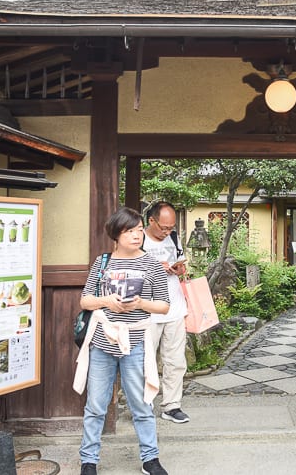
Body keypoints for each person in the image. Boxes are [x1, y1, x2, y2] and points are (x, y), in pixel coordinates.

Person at [75, 207, 171, 475]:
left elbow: (164, 305)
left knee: (141, 404)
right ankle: (89, 460)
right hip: (102, 343)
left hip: (136, 342)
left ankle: (150, 459)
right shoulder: (102, 262)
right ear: (116, 234)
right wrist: (106, 301)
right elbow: (85, 300)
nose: (137, 235)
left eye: (139, 230)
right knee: (95, 405)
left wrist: (140, 303)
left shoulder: (151, 264)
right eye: (130, 231)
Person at [142, 201, 190, 424]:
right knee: (144, 360)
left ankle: (172, 405)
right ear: (151, 221)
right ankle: (143, 405)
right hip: (147, 310)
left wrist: (179, 268)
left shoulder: (173, 237)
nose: (167, 231)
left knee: (175, 360)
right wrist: (154, 266)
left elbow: (181, 264)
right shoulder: (137, 238)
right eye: (163, 227)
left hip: (175, 307)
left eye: (171, 227)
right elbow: (125, 268)